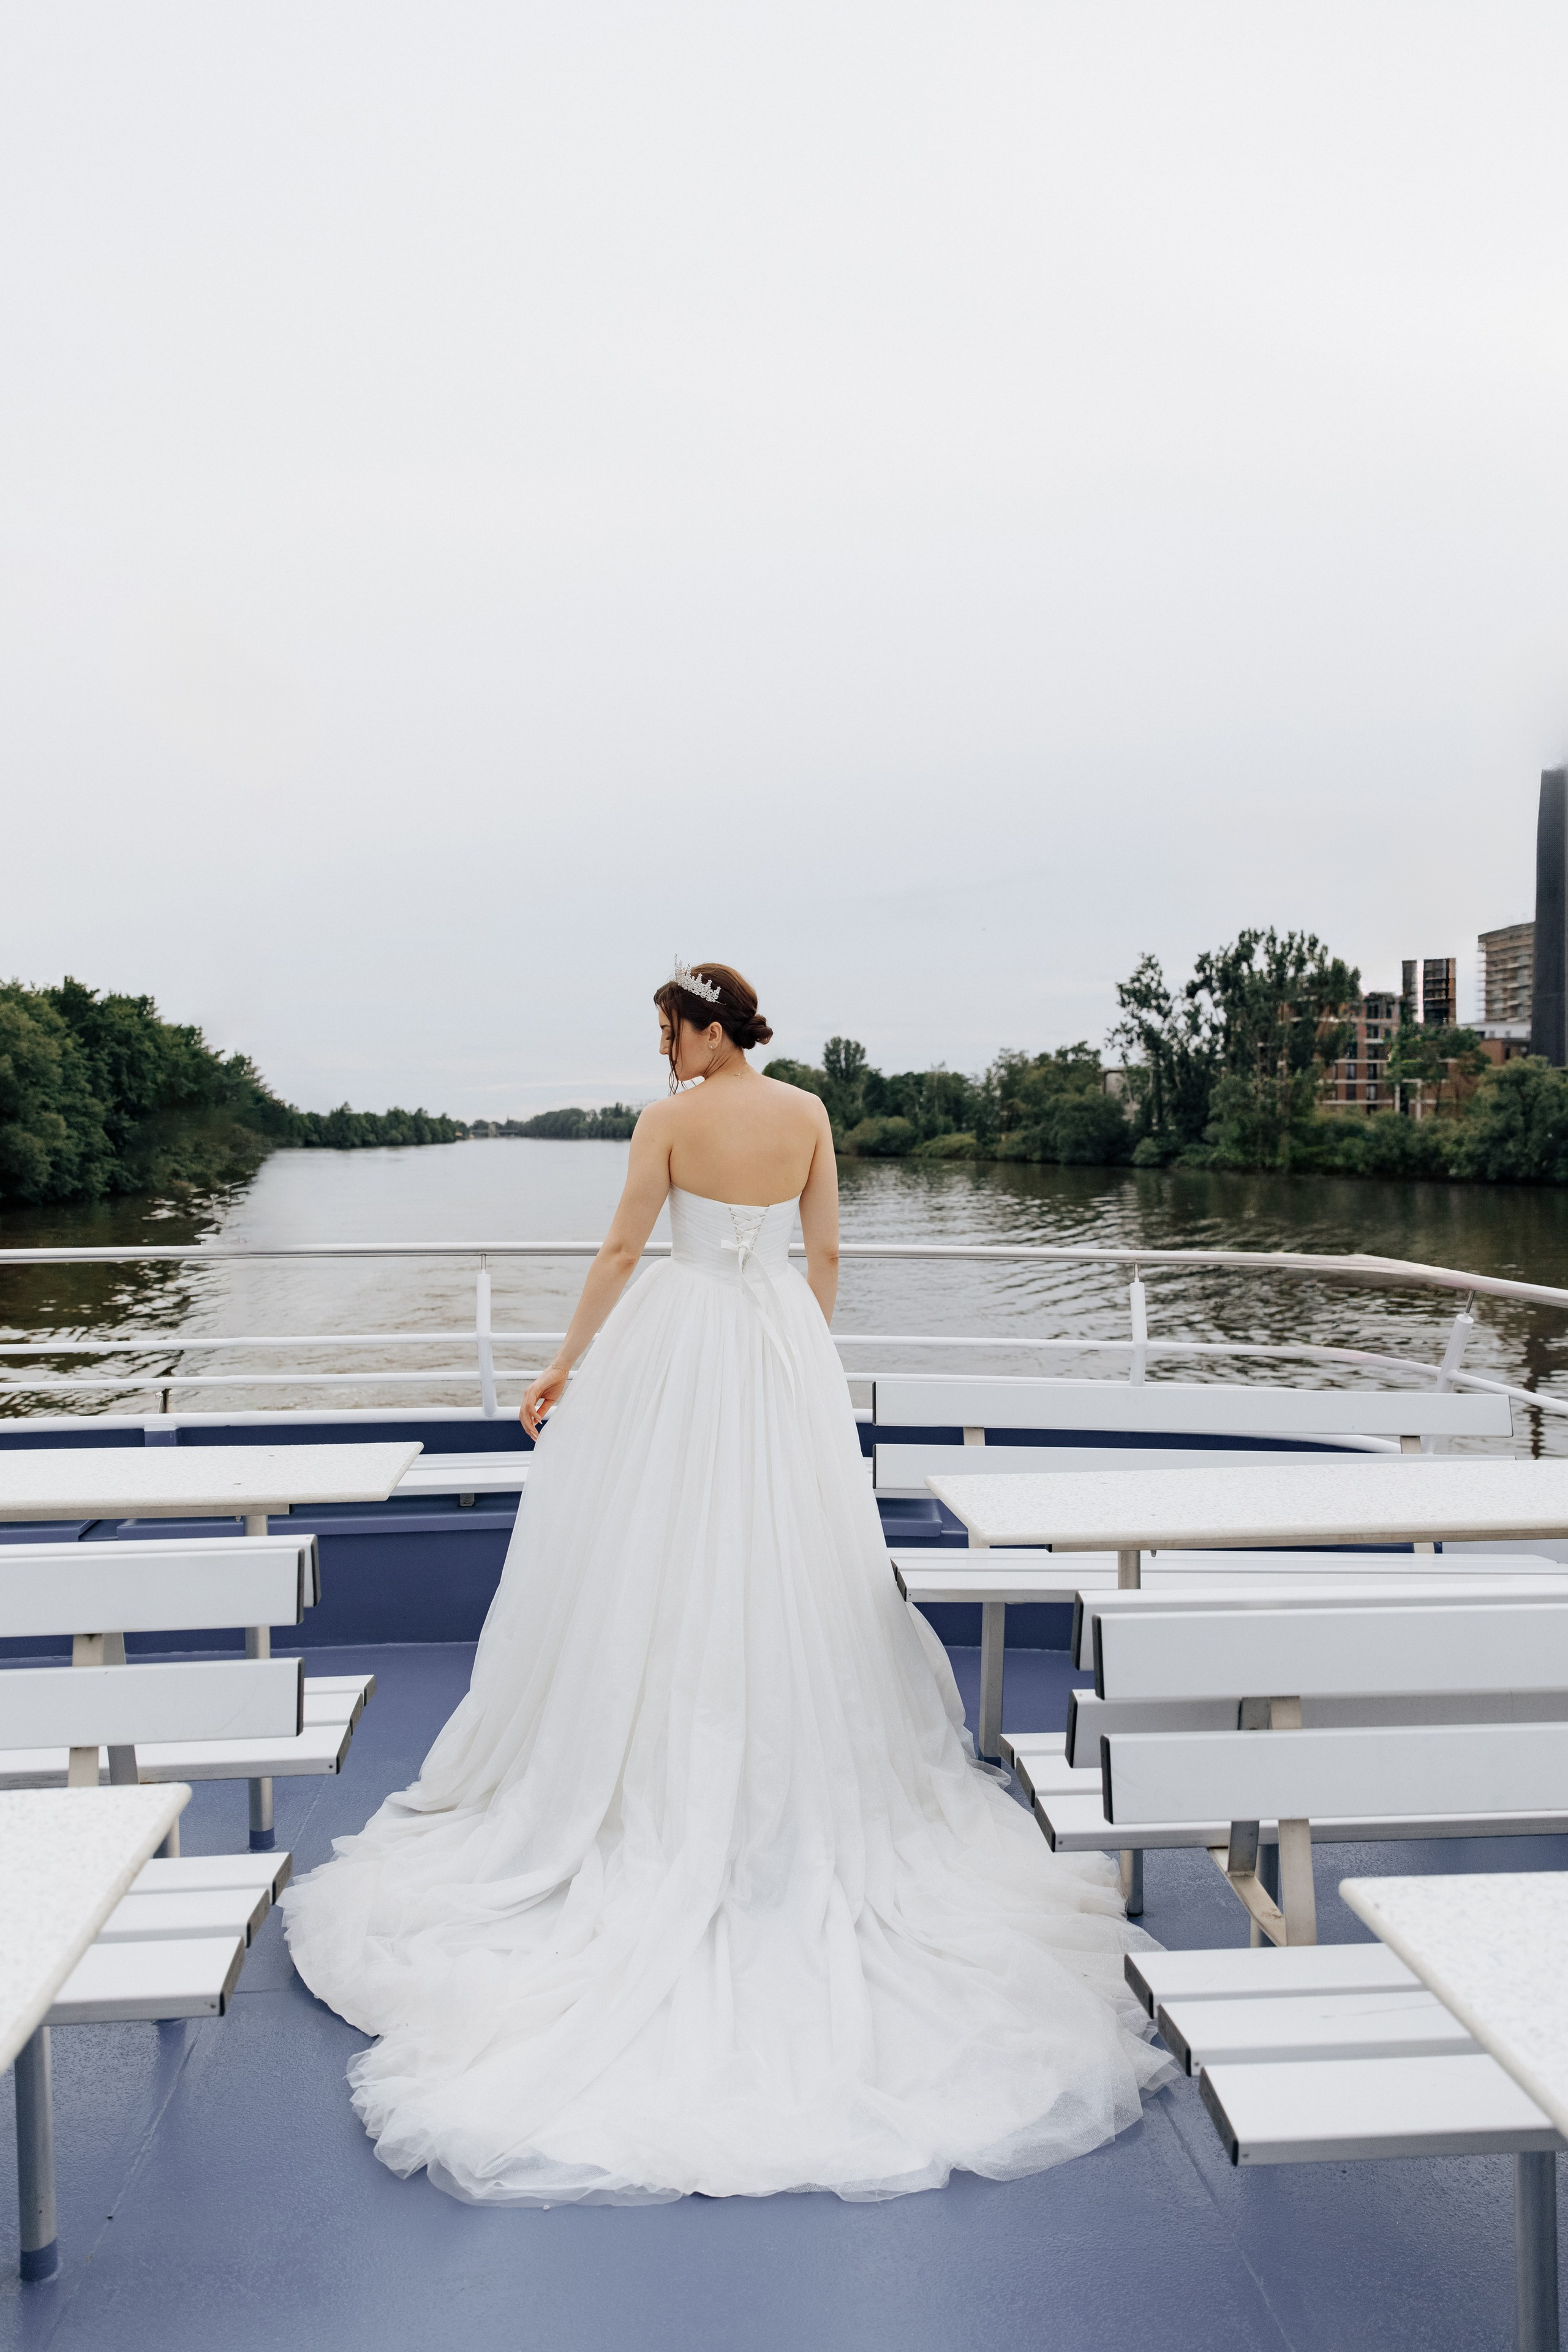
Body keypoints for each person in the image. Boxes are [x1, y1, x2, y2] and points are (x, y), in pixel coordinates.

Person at [282, 960, 1170, 2207]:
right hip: (777, 1353)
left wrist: (558, 1369)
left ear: (709, 1028)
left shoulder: (671, 1123)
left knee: (649, 1552)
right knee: (785, 1559)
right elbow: (824, 1257)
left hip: (677, 1346)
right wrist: (791, 1355)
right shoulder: (805, 1114)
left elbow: (619, 1249)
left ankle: (645, 1771)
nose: (661, 1053)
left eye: (668, 1031)